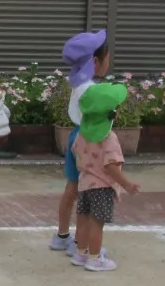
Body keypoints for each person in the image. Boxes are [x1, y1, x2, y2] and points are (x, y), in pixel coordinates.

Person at [68, 42, 141, 272]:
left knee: (82, 219)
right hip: (101, 188)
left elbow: (75, 151)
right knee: (96, 224)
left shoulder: (82, 135)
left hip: (84, 184)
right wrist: (127, 184)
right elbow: (111, 166)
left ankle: (80, 253)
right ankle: (95, 258)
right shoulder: (109, 138)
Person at [51, 29, 107, 253]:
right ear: (95, 61)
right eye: (107, 58)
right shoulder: (93, 89)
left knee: (72, 187)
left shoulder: (78, 84)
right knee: (88, 191)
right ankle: (80, 244)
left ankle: (62, 236)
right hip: (89, 139)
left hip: (75, 135)